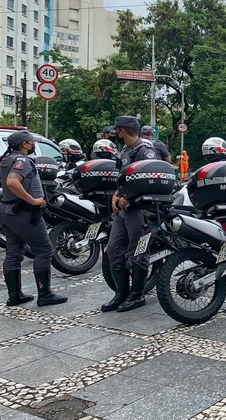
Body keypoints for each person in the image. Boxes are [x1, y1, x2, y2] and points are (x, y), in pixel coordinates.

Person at [0, 131, 68, 307]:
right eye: (30, 141)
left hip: (7, 211)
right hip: (24, 213)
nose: (33, 144)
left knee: (14, 252)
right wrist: (33, 200)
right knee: (44, 250)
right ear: (24, 144)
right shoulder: (21, 161)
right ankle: (45, 294)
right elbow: (12, 182)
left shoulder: (6, 159)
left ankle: (15, 295)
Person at [102, 116, 157, 313]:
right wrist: (116, 195)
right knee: (113, 250)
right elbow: (123, 179)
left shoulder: (145, 150)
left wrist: (130, 198)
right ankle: (121, 293)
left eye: (117, 130)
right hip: (123, 209)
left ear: (122, 131)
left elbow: (149, 178)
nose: (115, 134)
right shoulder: (125, 150)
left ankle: (137, 294)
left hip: (139, 209)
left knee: (137, 252)